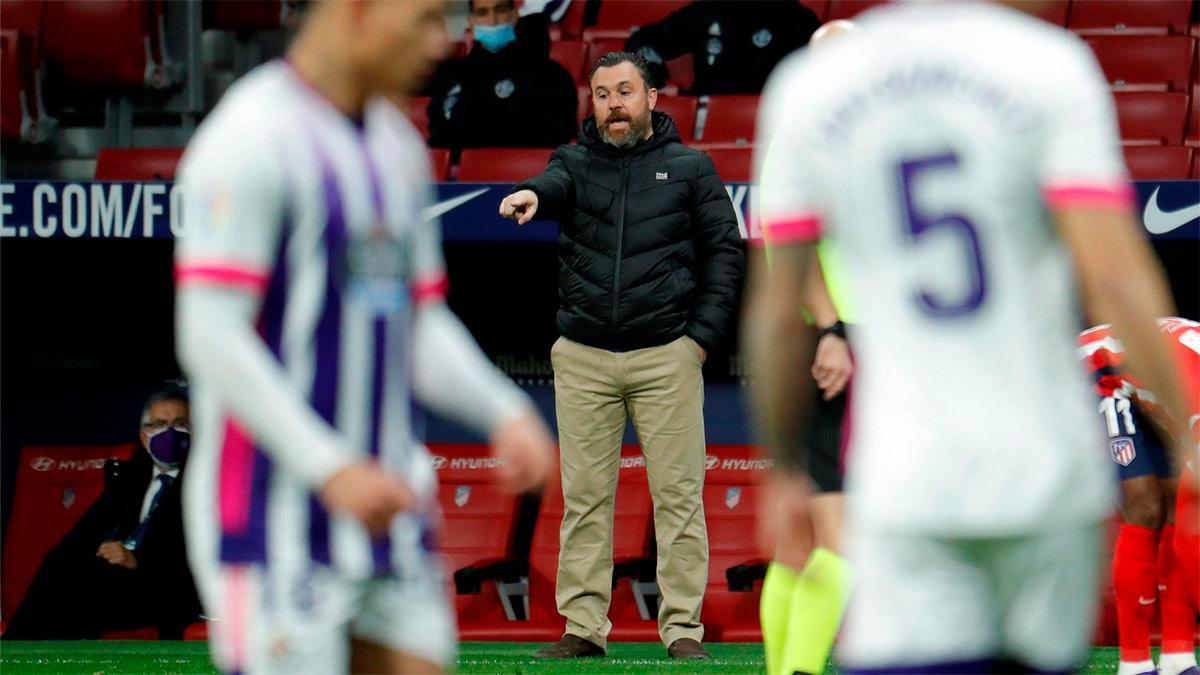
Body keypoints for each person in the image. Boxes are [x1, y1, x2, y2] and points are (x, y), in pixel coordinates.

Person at [744, 1, 1195, 672]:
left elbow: (778, 309)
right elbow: (1116, 279)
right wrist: (1189, 435)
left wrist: (781, 467)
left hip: (907, 472)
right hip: (1041, 472)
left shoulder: (812, 90)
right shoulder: (1048, 67)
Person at [174, 2, 554, 673]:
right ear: (356, 10)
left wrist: (505, 410)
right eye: (426, 19)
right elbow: (210, 335)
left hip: (390, 503)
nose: (443, 43)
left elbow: (417, 320)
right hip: (275, 516)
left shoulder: (397, 146)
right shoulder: (249, 135)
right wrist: (328, 464)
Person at [499, 51, 744, 660]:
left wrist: (699, 341)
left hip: (667, 355)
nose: (613, 104)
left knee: (679, 497)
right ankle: (583, 627)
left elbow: (726, 255)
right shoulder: (572, 163)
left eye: (625, 91)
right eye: (603, 93)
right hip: (583, 354)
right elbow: (554, 186)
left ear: (652, 98)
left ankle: (683, 628)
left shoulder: (691, 167)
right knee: (584, 498)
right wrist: (533, 191)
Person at [4, 387, 202, 640]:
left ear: (194, 432)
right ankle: (13, 649)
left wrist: (136, 559)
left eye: (179, 423)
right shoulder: (128, 479)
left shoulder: (203, 484)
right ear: (145, 436)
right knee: (59, 566)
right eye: (161, 424)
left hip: (164, 587)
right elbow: (81, 537)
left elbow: (197, 555)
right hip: (113, 578)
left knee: (87, 592)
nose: (170, 433)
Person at [1079, 318, 1200, 675]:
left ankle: (1178, 658)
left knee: (1179, 507)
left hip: (1161, 386)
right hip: (1105, 372)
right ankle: (1134, 662)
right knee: (1144, 503)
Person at [426, 0, 577, 148]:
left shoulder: (550, 76)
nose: (492, 21)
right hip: (463, 171)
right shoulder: (451, 76)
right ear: (471, 22)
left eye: (500, 10)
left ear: (514, 16)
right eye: (482, 13)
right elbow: (438, 138)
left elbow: (555, 142)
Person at [624, 0, 820, 94]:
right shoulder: (708, 11)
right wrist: (653, 72)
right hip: (706, 122)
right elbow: (642, 42)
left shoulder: (798, 21)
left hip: (769, 124)